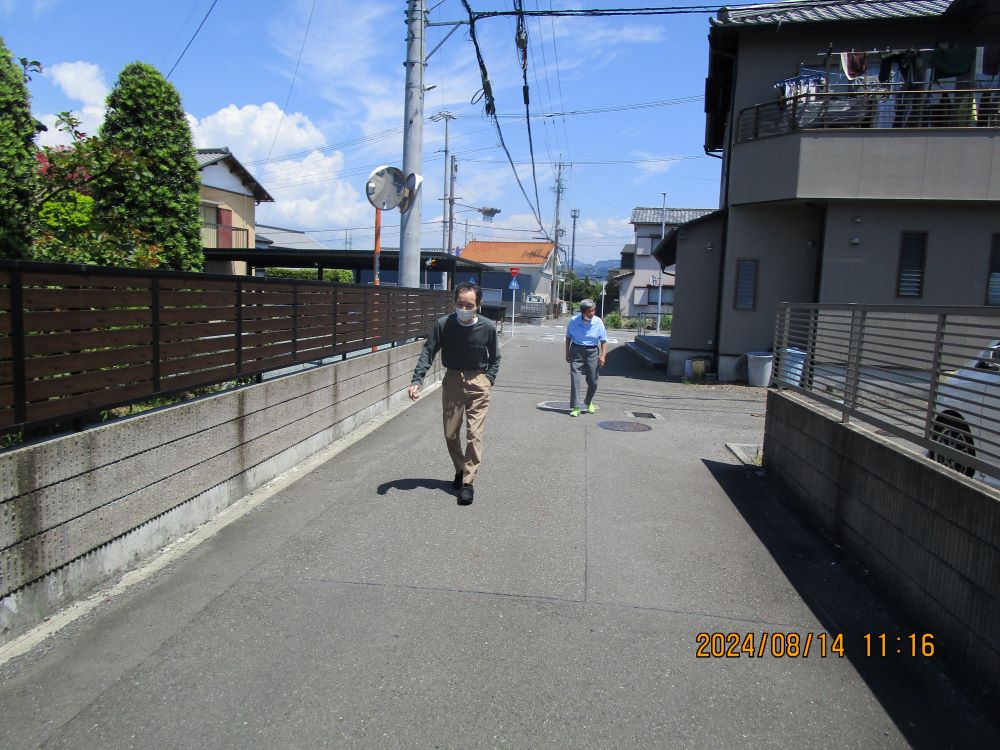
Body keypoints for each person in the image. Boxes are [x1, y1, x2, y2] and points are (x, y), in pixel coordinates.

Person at [408, 283, 501, 505]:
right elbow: (428, 351)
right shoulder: (444, 324)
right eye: (460, 304)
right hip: (452, 381)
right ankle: (460, 468)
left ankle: (468, 482)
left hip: (478, 382)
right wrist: (416, 380)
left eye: (469, 305)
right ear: (454, 303)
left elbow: (495, 357)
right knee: (450, 433)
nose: (464, 308)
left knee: (474, 434)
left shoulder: (487, 327)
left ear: (478, 305)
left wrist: (488, 379)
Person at [564, 298, 607, 417]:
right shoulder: (574, 321)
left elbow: (603, 340)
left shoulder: (598, 322)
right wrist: (567, 352)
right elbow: (568, 337)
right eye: (590, 311)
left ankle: (588, 401)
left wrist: (603, 356)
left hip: (592, 351)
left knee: (593, 381)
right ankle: (576, 406)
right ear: (583, 312)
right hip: (576, 350)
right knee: (575, 379)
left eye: (593, 310)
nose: (592, 313)